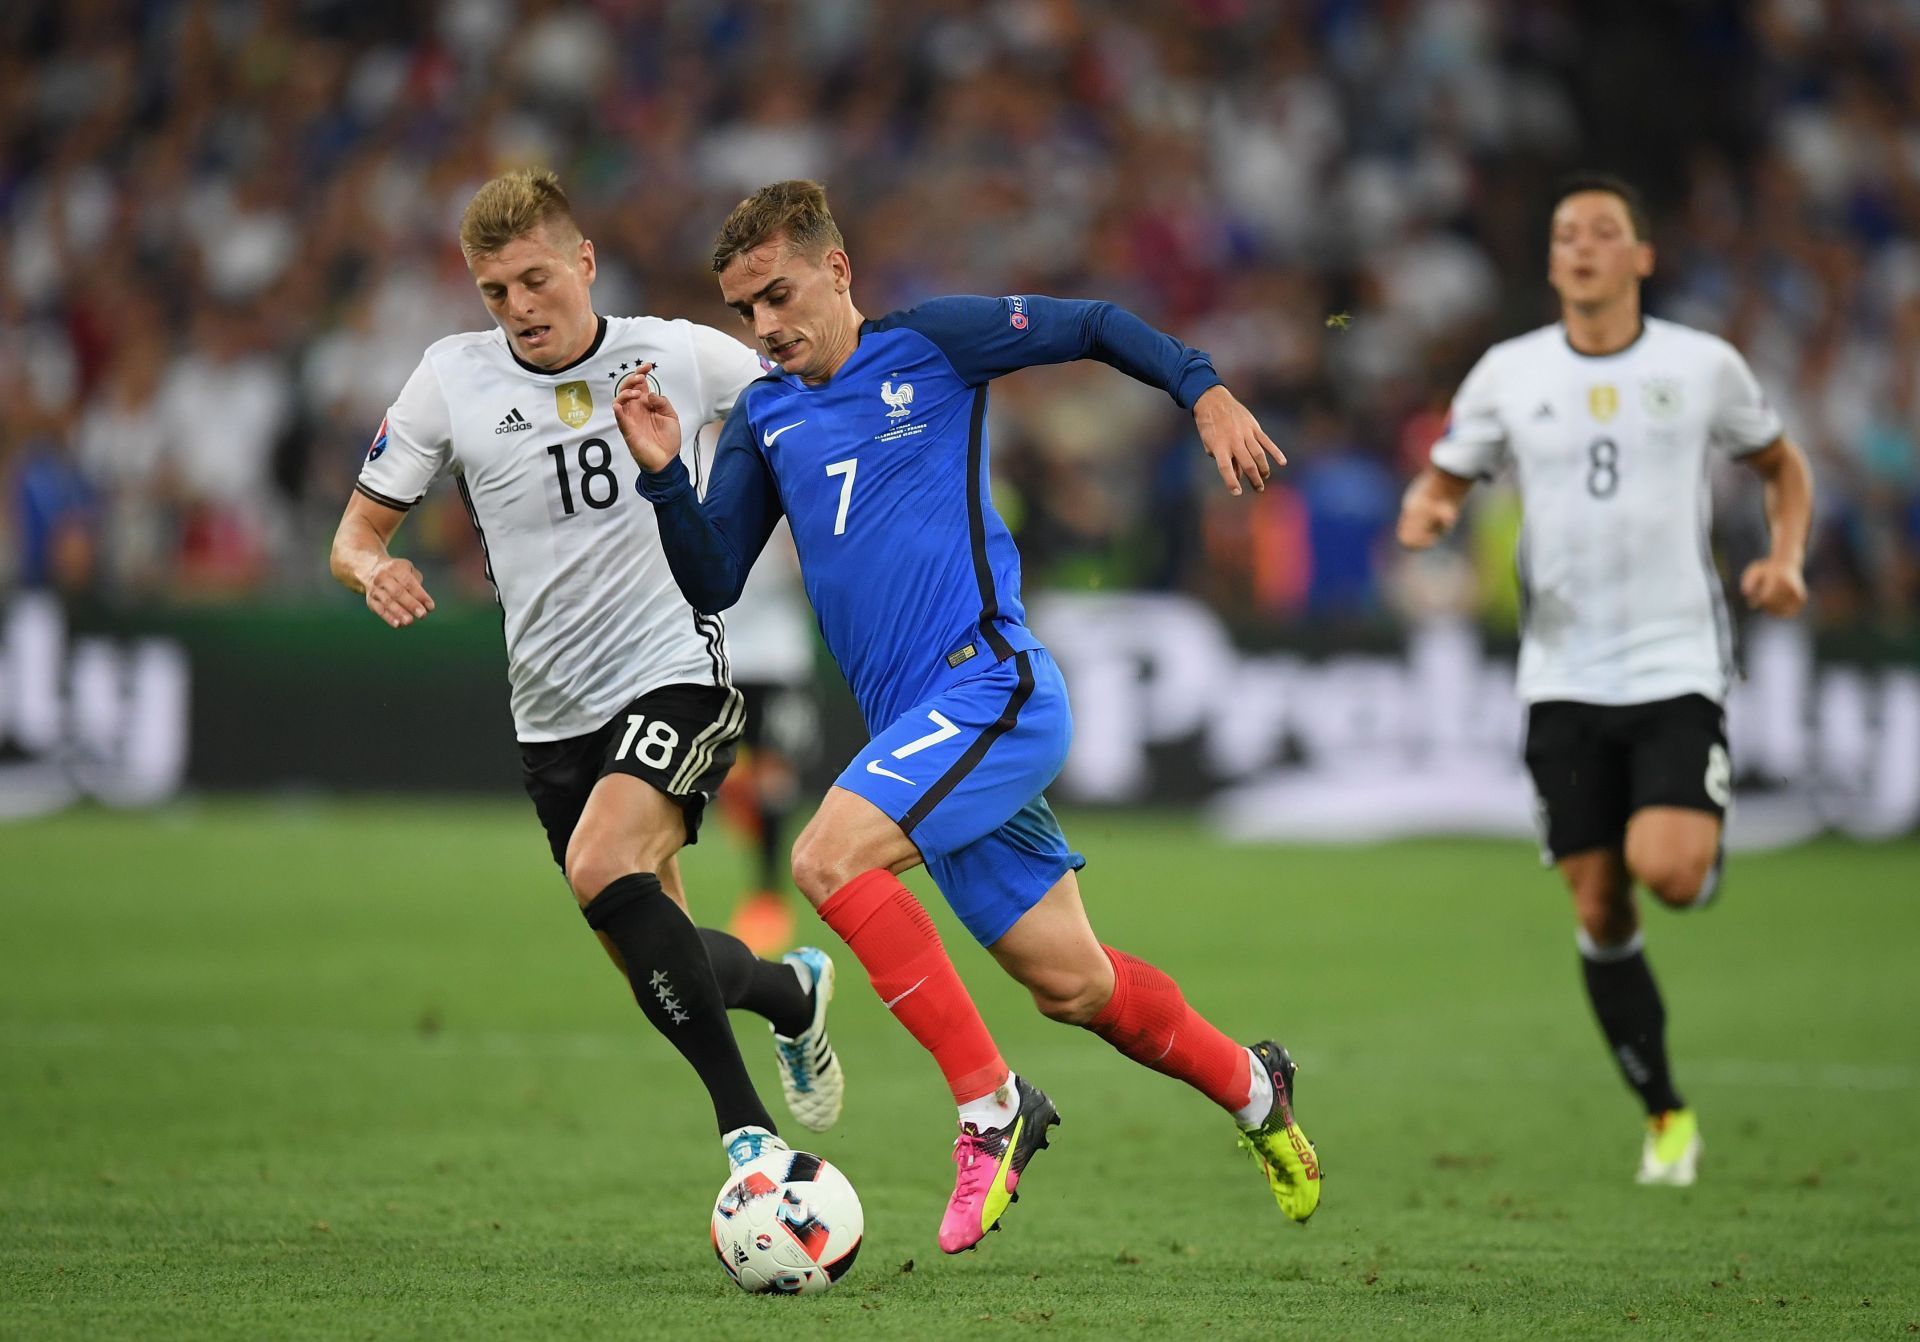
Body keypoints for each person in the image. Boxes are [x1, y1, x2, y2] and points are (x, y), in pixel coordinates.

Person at [613, 179, 1320, 1254]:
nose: (763, 327)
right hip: (921, 735)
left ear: (837, 270)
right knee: (1073, 984)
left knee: (826, 860)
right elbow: (712, 580)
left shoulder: (933, 347)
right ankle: (1254, 1088)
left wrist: (1203, 388)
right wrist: (667, 476)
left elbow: (1087, 325)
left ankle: (990, 1107)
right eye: (744, 309)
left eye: (778, 294)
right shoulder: (764, 414)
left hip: (990, 684)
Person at [326, 168, 847, 1169]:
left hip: (674, 672)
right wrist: (372, 568)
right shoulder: (450, 379)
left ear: (583, 262)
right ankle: (792, 992)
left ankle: (756, 1150)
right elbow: (352, 535)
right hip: (551, 716)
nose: (519, 307)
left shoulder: (681, 355)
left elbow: (819, 395)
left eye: (534, 279)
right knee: (663, 960)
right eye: (495, 291)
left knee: (603, 864)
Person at [1397, 172, 1814, 1187]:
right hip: (1561, 675)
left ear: (1641, 257)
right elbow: (1449, 469)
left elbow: (1781, 465)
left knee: (1666, 871)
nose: (1582, 245)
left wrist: (1787, 556)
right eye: (1565, 234)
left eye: (1604, 232)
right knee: (1599, 907)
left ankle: (1698, 855)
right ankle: (1666, 1113)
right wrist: (1431, 510)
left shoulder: (1702, 365)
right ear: (1550, 262)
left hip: (1676, 662)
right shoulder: (1508, 372)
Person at [712, 521, 819, 957]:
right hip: (717, 652)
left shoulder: (780, 458)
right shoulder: (685, 461)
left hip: (778, 656)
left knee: (775, 777)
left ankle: (768, 897)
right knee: (721, 774)